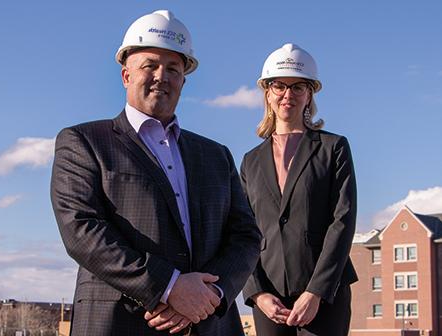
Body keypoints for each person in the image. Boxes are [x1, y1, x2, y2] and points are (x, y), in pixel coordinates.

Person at [50, 10, 261, 336]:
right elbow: (82, 229)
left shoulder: (216, 155)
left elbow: (246, 236)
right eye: (150, 65)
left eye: (173, 68)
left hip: (209, 325)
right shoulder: (83, 142)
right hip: (122, 323)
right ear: (125, 75)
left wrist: (209, 296)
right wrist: (169, 287)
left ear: (183, 80)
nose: (162, 75)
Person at [241, 43, 358, 336]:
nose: (287, 95)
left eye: (298, 87)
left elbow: (342, 221)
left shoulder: (333, 148)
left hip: (325, 295)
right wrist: (257, 293)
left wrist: (316, 291)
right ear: (267, 93)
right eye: (279, 86)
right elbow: (243, 231)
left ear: (310, 95)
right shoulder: (250, 161)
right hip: (270, 298)